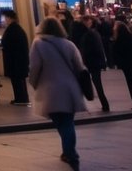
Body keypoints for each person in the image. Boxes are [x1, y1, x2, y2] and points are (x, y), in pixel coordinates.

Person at [28, 17, 88, 170]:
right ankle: (68, 152)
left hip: (50, 89)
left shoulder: (38, 44)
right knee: (67, 122)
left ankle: (71, 154)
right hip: (70, 88)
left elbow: (35, 67)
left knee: (61, 123)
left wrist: (34, 83)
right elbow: (79, 66)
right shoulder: (69, 44)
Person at [77, 15, 110, 112]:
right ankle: (104, 104)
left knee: (97, 84)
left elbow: (94, 49)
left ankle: (105, 104)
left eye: (85, 21)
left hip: (93, 62)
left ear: (89, 22)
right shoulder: (93, 33)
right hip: (94, 62)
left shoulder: (90, 34)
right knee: (97, 84)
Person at [111, 19, 132, 110]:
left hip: (126, 64)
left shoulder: (117, 40)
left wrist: (119, 63)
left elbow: (116, 54)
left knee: (130, 83)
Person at [0, 8, 31, 106]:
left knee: (18, 80)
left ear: (9, 18)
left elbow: (7, 43)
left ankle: (21, 98)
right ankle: (20, 98)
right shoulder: (17, 29)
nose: (3, 21)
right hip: (18, 60)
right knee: (18, 80)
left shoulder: (13, 29)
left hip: (15, 60)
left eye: (4, 18)